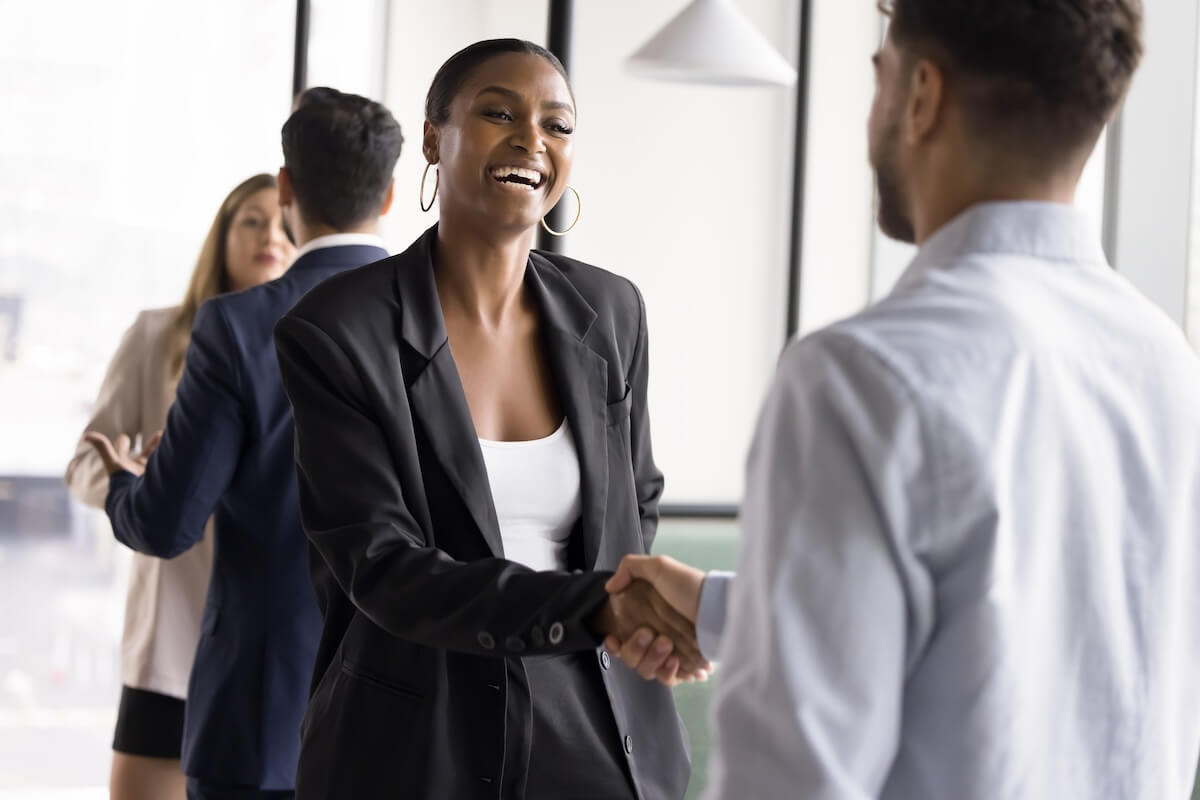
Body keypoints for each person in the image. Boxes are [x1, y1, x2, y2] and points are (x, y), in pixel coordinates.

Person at [612, 1, 1200, 798]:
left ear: (921, 98)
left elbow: (796, 781)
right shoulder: (1165, 361)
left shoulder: (858, 376)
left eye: (878, 77)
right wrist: (726, 610)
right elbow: (1035, 636)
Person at [273, 39, 705, 800]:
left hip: (603, 730)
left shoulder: (611, 311)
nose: (531, 139)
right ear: (435, 136)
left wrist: (623, 617)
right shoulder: (337, 329)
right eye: (498, 112)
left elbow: (635, 503)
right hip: (414, 741)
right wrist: (591, 610)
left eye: (557, 124)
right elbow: (382, 567)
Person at [83, 87, 403, 800]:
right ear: (387, 197)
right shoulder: (442, 320)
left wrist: (128, 481)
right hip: (405, 710)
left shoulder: (235, 326)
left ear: (287, 189)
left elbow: (166, 524)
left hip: (259, 711)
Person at [65, 174, 294, 800]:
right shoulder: (156, 335)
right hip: (172, 631)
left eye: (281, 221)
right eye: (250, 220)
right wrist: (143, 476)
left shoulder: (317, 346)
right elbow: (88, 463)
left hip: (264, 637)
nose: (269, 235)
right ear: (221, 235)